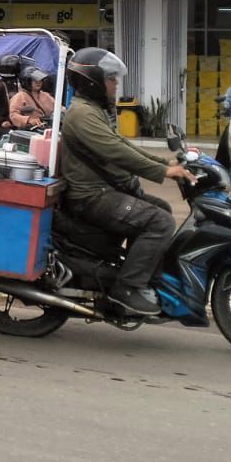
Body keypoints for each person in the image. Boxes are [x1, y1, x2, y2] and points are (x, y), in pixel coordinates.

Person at [56, 47, 194, 316]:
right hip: (92, 196)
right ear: (93, 81)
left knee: (162, 210)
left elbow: (122, 144)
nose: (116, 84)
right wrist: (163, 173)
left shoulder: (93, 110)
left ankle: (139, 278)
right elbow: (115, 152)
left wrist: (166, 164)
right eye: (111, 79)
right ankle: (126, 289)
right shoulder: (82, 114)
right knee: (160, 222)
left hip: (105, 191)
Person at [9, 66, 57, 132]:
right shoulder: (19, 97)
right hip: (28, 131)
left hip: (47, 129)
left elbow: (58, 107)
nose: (38, 82)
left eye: (40, 79)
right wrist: (28, 120)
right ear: (26, 81)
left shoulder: (45, 95)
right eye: (34, 80)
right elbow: (13, 116)